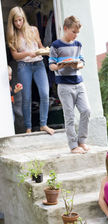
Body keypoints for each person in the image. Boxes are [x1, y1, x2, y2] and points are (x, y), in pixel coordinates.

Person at [7, 6, 54, 135]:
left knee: (44, 94)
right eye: (15, 21)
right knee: (26, 97)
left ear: (24, 19)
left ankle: (43, 124)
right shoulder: (12, 35)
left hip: (38, 64)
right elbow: (15, 56)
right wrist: (28, 53)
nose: (18, 23)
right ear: (12, 22)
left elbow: (40, 46)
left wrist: (47, 51)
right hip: (23, 66)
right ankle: (28, 128)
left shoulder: (33, 30)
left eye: (20, 20)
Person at [49, 15, 90, 154]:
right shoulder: (55, 45)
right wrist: (59, 66)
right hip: (64, 86)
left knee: (86, 111)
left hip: (79, 83)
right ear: (65, 29)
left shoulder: (78, 45)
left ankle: (82, 141)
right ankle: (73, 146)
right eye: (73, 32)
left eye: (77, 33)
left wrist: (77, 64)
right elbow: (51, 66)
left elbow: (82, 62)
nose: (75, 35)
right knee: (70, 116)